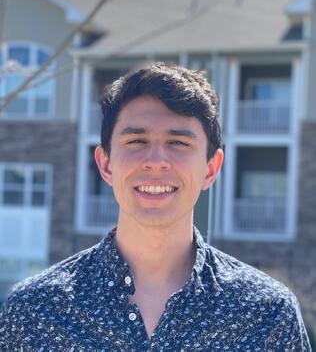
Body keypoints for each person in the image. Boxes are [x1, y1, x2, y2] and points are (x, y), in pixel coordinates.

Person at [0, 63, 311, 351]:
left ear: (211, 169)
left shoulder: (266, 314)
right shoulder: (34, 311)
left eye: (178, 143)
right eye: (137, 141)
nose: (156, 162)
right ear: (106, 165)